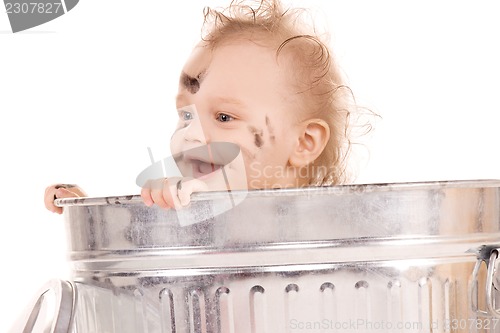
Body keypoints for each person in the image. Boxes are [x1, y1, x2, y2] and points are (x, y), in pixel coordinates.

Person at [45, 0, 357, 214]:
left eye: (224, 117)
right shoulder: (189, 206)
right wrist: (86, 210)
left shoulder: (332, 229)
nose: (189, 137)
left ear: (304, 142)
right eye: (185, 115)